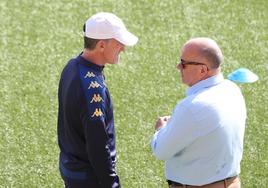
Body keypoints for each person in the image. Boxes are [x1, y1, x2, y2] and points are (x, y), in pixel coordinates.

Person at [151, 37, 246, 188]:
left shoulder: (192, 107)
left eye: (184, 63)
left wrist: (161, 129)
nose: (178, 66)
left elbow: (161, 151)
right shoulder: (232, 90)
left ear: (203, 69)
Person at [57, 12, 138, 188]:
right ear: (101, 45)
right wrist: (112, 184)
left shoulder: (71, 66)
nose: (123, 48)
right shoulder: (92, 88)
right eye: (118, 43)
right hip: (89, 179)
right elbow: (98, 146)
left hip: (72, 168)